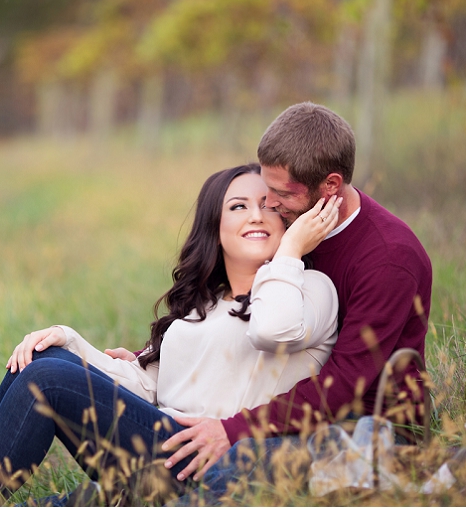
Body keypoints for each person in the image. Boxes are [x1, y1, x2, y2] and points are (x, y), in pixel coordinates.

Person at [0, 163, 343, 506]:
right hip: (160, 443)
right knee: (41, 360)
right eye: (238, 206)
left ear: (288, 221)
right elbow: (146, 387)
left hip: (215, 461)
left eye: (268, 206)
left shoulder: (309, 289)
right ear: (215, 226)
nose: (256, 215)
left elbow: (274, 328)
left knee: (46, 381)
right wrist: (66, 339)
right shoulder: (201, 307)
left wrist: (289, 253)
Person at [157, 102, 433, 501]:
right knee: (163, 464)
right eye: (266, 187)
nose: (268, 204)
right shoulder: (294, 225)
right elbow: (232, 311)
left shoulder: (388, 258)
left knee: (227, 467)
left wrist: (233, 430)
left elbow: (343, 388)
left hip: (362, 424)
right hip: (288, 405)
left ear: (331, 186)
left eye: (281, 193)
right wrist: (150, 355)